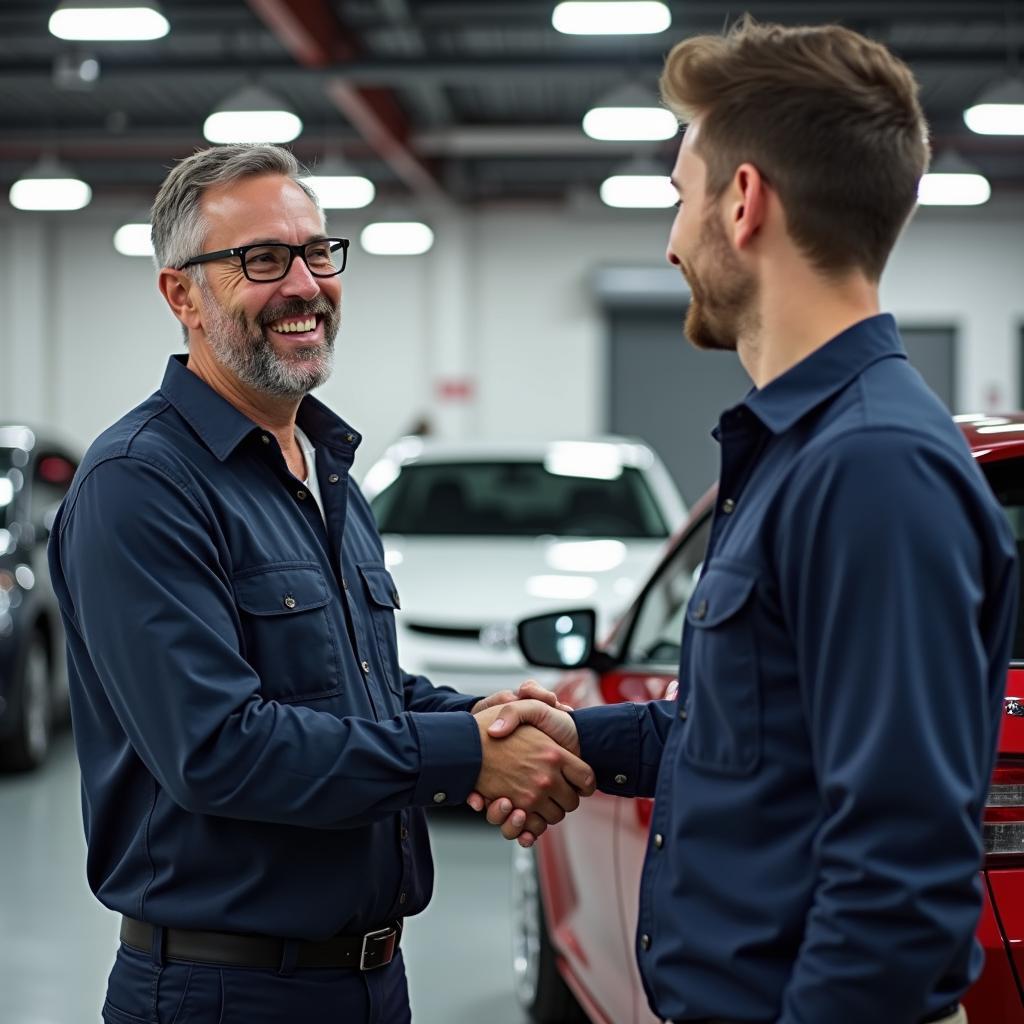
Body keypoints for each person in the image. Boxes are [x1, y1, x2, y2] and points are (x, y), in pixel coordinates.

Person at [477, 16, 1019, 1024]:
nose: (669, 241)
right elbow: (765, 730)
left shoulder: (871, 468)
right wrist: (576, 734)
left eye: (678, 199)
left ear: (741, 201)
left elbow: (895, 879)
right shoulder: (802, 453)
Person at [47, 143, 593, 1024]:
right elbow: (219, 747)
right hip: (224, 991)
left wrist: (497, 721)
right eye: (261, 259)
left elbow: (357, 693)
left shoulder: (321, 466)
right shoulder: (140, 484)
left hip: (370, 982)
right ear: (181, 294)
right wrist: (470, 756)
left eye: (317, 252)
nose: (304, 284)